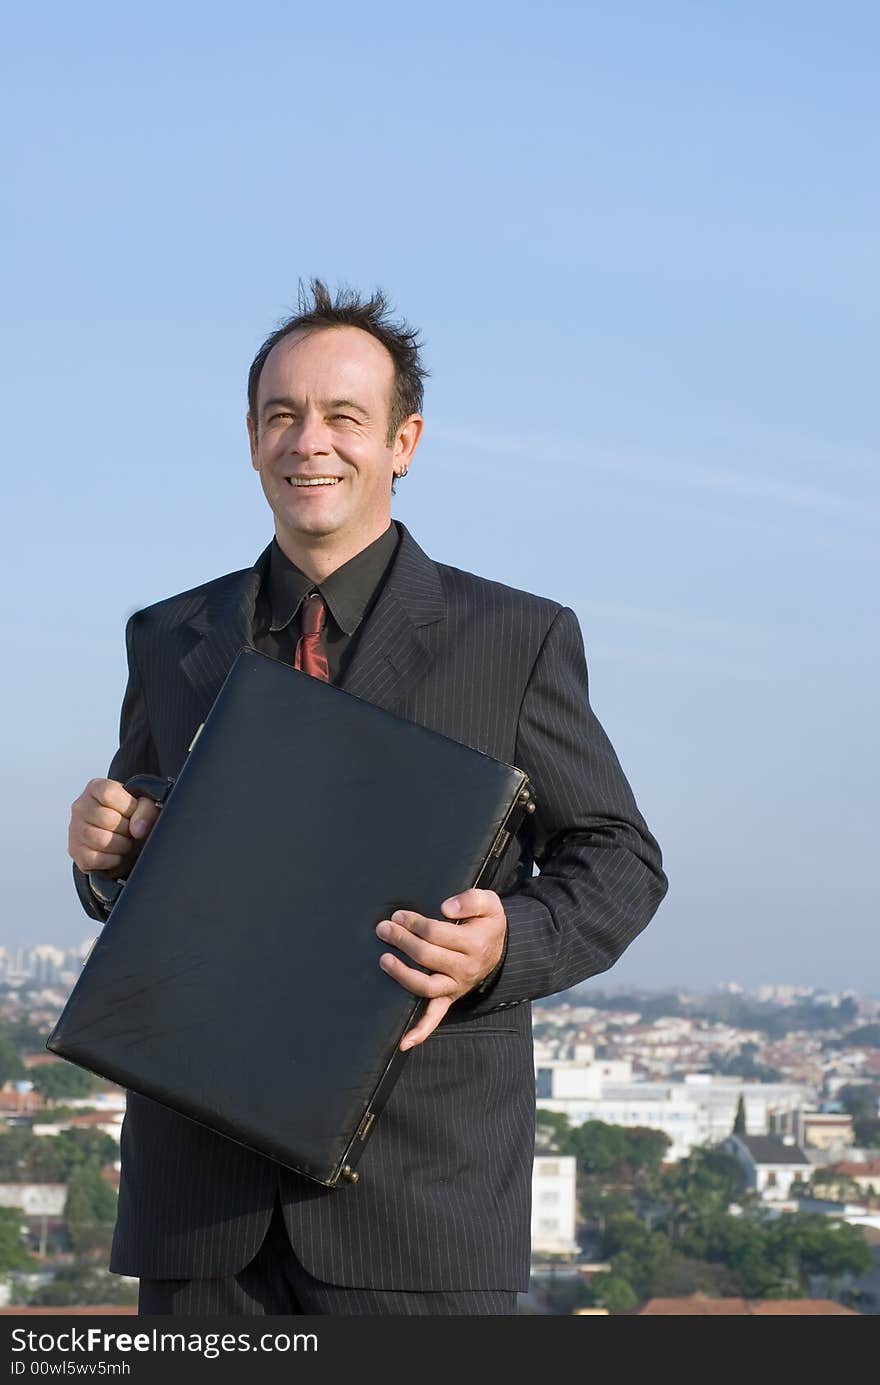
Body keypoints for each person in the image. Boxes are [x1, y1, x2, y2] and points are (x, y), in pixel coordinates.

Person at [68, 281, 667, 1316]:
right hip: (198, 1210)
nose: (311, 442)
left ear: (404, 441)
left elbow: (618, 856)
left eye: (345, 416)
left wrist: (502, 945)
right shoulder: (168, 637)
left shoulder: (512, 637)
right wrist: (106, 853)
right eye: (282, 416)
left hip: (418, 1206)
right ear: (251, 438)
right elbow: (142, 881)